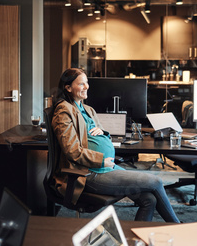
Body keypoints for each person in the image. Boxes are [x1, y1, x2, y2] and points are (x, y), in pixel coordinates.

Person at [51, 68, 180, 223]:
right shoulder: (64, 110)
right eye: (81, 84)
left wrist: (102, 132)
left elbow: (98, 134)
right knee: (156, 181)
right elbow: (72, 151)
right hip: (88, 173)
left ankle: (135, 239)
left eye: (87, 82)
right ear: (68, 87)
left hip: (107, 167)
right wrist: (100, 160)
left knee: (149, 199)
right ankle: (178, 227)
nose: (87, 87)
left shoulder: (87, 109)